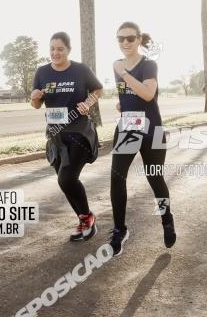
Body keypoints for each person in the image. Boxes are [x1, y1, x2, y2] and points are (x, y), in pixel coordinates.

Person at [109, 21, 176, 257]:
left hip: (152, 130)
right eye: (120, 39)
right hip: (128, 128)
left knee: (155, 178)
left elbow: (147, 94)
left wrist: (124, 74)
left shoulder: (148, 65)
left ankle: (167, 220)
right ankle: (119, 230)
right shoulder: (117, 65)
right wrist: (123, 104)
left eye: (129, 38)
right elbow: (129, 95)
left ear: (138, 40)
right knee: (117, 177)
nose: (125, 42)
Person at [31, 32, 103, 240]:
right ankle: (85, 219)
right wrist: (35, 98)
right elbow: (36, 104)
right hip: (55, 135)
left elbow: (98, 90)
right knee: (65, 182)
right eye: (52, 49)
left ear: (68, 50)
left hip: (79, 131)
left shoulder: (80, 70)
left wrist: (88, 103)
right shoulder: (42, 72)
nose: (55, 53)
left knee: (66, 178)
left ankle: (87, 218)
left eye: (60, 49)